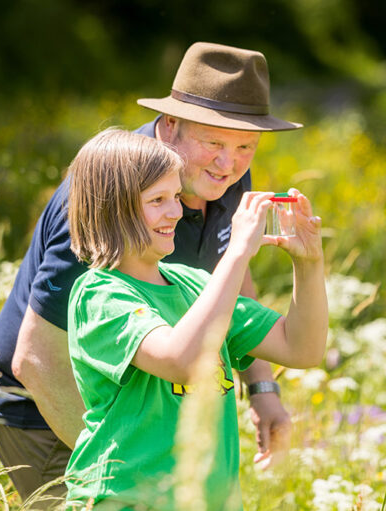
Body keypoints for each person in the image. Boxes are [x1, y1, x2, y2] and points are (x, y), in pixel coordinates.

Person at [0, 42, 302, 504]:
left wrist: (262, 387)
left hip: (145, 404)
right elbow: (34, 358)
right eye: (213, 142)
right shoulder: (108, 198)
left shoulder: (222, 176)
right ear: (169, 127)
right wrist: (130, 465)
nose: (228, 164)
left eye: (245, 146)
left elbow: (229, 275)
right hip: (44, 405)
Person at [63, 128, 326, 509]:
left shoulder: (197, 286)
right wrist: (237, 252)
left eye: (175, 197)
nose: (175, 212)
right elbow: (181, 361)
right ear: (113, 208)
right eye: (157, 200)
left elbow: (302, 348)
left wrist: (309, 262)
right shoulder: (100, 295)